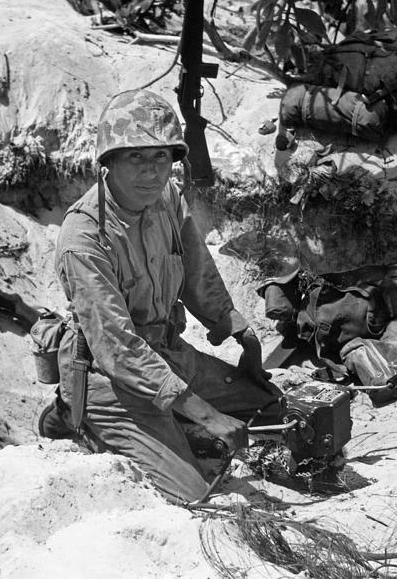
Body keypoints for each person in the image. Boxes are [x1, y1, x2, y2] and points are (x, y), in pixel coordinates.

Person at [39, 89, 284, 503]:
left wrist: (234, 326)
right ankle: (75, 416)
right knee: (193, 493)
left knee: (269, 409)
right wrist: (207, 416)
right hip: (110, 380)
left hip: (168, 354)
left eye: (160, 157)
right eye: (135, 157)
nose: (151, 172)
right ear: (108, 161)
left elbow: (195, 269)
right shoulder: (83, 240)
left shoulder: (166, 197)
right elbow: (118, 350)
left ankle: (175, 421)